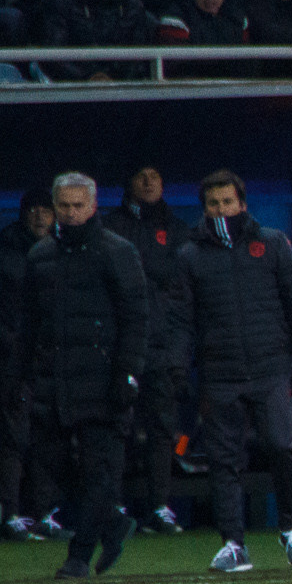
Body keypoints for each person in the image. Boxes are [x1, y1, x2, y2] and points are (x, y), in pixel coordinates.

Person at [178, 168, 292, 572]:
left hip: (271, 367)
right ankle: (233, 544)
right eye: (213, 204)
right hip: (219, 373)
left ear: (242, 203)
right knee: (224, 461)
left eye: (227, 202)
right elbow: (181, 319)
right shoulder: (190, 256)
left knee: (281, 446)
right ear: (204, 209)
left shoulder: (272, 244)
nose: (221, 210)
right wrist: (178, 368)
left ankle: (291, 529)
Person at [16, 172, 149, 579]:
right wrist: (23, 374)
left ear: (93, 207)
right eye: (65, 206)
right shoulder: (40, 256)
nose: (72, 214)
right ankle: (110, 522)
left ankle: (78, 556)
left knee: (96, 471)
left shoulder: (117, 252)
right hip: (54, 382)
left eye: (79, 206)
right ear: (55, 207)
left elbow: (136, 318)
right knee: (51, 463)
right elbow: (29, 323)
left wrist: (127, 373)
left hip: (104, 381)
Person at [0, 188, 56, 538]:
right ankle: (11, 514)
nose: (38, 215)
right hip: (11, 365)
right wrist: (14, 344)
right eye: (32, 209)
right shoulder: (0, 255)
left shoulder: (64, 252)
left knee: (48, 439)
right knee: (13, 439)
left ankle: (44, 514)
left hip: (50, 364)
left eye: (45, 209)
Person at [105, 165, 190, 533]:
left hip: (162, 347)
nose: (149, 181)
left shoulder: (176, 228)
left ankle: (159, 508)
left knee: (161, 430)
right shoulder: (110, 226)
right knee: (115, 430)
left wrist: (178, 353)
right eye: (140, 174)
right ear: (129, 182)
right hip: (120, 348)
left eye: (156, 174)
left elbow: (181, 289)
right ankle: (114, 508)